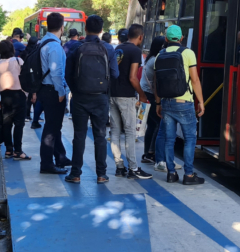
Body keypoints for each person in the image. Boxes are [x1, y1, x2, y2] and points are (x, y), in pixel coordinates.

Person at [64, 15, 119, 184]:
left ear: (85, 29)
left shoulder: (76, 48)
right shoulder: (108, 49)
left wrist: (76, 90)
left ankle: (75, 173)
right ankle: (101, 174)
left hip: (80, 98)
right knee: (100, 136)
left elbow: (68, 74)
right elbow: (115, 74)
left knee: (79, 136)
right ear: (101, 30)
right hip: (100, 98)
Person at [154, 25, 205, 185]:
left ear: (167, 39)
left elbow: (157, 82)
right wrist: (201, 102)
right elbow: (195, 80)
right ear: (181, 38)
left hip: (166, 102)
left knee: (169, 139)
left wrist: (157, 103)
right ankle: (188, 175)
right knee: (190, 138)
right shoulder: (188, 53)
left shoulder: (159, 55)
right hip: (184, 102)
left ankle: (171, 173)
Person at [110, 24, 153, 179]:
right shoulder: (135, 51)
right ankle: (133, 168)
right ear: (140, 36)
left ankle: (119, 166)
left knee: (115, 131)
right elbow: (133, 77)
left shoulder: (118, 48)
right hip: (126, 95)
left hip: (113, 93)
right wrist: (142, 95)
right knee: (129, 131)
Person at [37, 12, 71, 174]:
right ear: (62, 27)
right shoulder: (55, 46)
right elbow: (56, 72)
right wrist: (61, 91)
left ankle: (60, 156)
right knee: (51, 129)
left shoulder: (42, 41)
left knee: (53, 126)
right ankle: (47, 164)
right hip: (53, 91)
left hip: (44, 89)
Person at [0, 40, 31, 161]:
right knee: (19, 124)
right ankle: (18, 151)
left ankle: (8, 149)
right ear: (12, 49)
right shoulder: (19, 61)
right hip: (19, 95)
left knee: (6, 124)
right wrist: (26, 93)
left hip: (5, 96)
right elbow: (26, 78)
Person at [140, 36, 166, 164]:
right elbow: (156, 82)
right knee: (157, 124)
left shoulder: (150, 58)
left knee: (151, 125)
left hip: (145, 93)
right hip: (150, 94)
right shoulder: (156, 60)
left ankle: (147, 153)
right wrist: (158, 101)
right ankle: (151, 153)